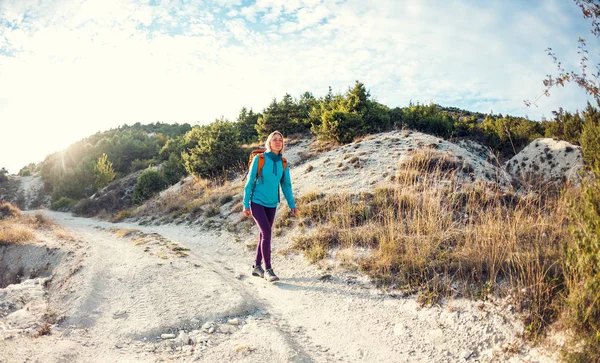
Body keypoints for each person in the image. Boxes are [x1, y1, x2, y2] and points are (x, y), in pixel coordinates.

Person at [243, 131, 297, 282]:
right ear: (269, 143)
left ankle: (256, 267)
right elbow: (249, 182)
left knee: (263, 234)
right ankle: (268, 270)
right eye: (275, 140)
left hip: (272, 203)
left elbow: (286, 186)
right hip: (257, 202)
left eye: (280, 140)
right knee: (266, 232)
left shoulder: (283, 163)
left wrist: (292, 204)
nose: (278, 142)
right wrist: (245, 203)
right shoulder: (259, 159)